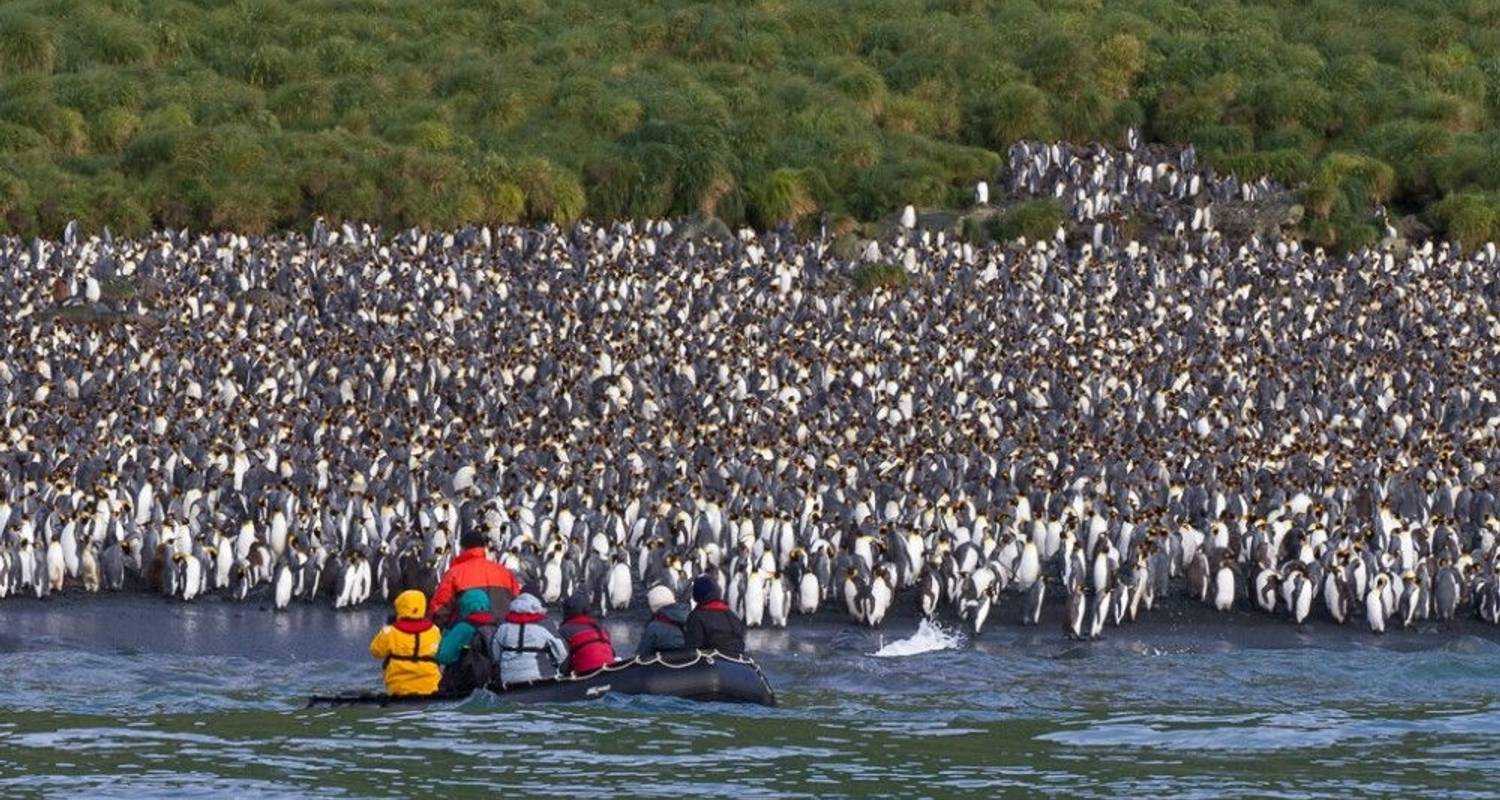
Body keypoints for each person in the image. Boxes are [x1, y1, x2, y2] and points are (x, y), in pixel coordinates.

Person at [430, 527, 520, 627]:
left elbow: (439, 609)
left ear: (462, 548)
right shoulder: (505, 573)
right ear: (484, 548)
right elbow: (518, 603)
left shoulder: (454, 574)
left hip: (466, 636)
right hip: (502, 635)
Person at [368, 589, 440, 696]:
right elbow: (440, 652)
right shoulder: (434, 630)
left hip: (398, 687)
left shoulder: (390, 631)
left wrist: (386, 627)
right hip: (431, 686)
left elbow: (376, 651)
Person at [490, 592, 568, 686]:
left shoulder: (503, 628)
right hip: (539, 678)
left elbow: (495, 654)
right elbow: (562, 653)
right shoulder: (543, 628)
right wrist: (555, 664)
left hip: (507, 679)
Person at [435, 588, 498, 694]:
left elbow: (443, 656)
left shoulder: (462, 628)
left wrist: (446, 636)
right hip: (491, 683)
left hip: (464, 684)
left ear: (464, 605)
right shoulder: (496, 626)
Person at [684, 575, 746, 656]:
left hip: (712, 663)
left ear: (697, 595)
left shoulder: (696, 617)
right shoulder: (731, 615)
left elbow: (693, 648)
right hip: (737, 662)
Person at [558, 592, 616, 674]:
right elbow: (612, 653)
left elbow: (562, 658)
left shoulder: (564, 630)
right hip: (608, 669)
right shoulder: (601, 627)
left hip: (585, 673)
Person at [635, 584, 689, 657]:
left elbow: (641, 654)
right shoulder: (691, 616)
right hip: (689, 663)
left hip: (664, 666)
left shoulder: (654, 627)